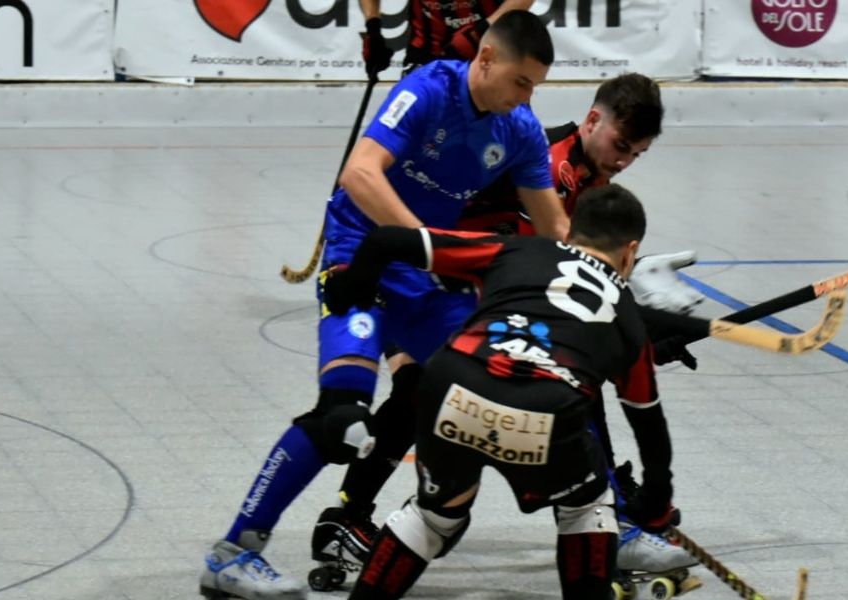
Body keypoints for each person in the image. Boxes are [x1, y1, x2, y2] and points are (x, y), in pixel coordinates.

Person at [199, 11, 566, 600]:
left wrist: (613, 282)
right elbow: (360, 174)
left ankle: (607, 524)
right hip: (361, 258)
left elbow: (555, 232)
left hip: (426, 277)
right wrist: (430, 247)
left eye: (535, 88)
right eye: (521, 82)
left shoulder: (518, 129)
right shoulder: (428, 89)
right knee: (341, 421)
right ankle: (233, 555)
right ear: (486, 59)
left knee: (513, 385)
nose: (527, 99)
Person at [314, 73, 702, 583]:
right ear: (592, 120)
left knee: (419, 391)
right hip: (425, 272)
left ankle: (347, 518)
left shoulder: (592, 182)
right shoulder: (551, 164)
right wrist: (633, 331)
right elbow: (552, 277)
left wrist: (643, 333)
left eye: (637, 154)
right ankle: (609, 519)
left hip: (449, 279)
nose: (625, 161)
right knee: (562, 379)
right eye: (621, 145)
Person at [360, 1, 535, 78]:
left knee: (507, 132)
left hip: (490, 50)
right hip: (427, 52)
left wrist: (482, 31)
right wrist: (373, 29)